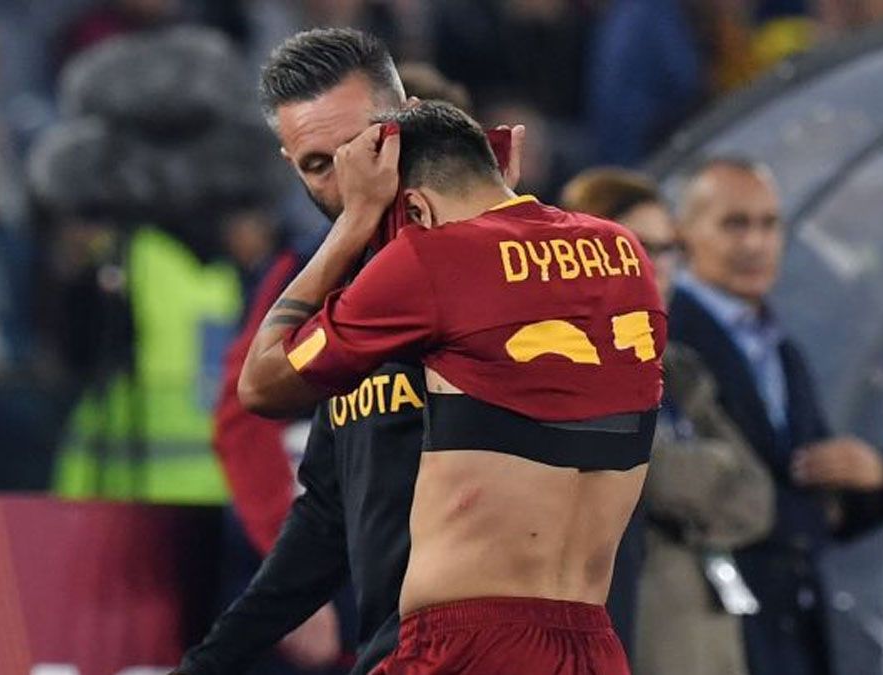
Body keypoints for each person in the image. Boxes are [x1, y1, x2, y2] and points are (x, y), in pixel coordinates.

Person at [239, 101, 663, 674]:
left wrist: (353, 222)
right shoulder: (624, 252)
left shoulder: (433, 258)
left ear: (415, 207)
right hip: (594, 644)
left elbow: (262, 383)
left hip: (464, 648)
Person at [174, 28, 523, 675]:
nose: (347, 181)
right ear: (289, 163)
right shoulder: (306, 276)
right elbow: (262, 433)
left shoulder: (518, 263)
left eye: (363, 147)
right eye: (317, 165)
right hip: (366, 612)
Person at [668, 157, 883, 675]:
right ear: (684, 234)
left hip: (788, 624)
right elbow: (705, 490)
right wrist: (807, 510)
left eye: (769, 225)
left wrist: (868, 479)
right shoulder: (668, 335)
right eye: (734, 223)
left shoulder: (781, 345)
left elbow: (809, 476)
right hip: (709, 625)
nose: (755, 243)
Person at [563, 167, 775, 675]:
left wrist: (687, 483)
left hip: (707, 640)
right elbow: (651, 472)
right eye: (640, 247)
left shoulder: (680, 369)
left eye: (668, 249)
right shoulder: (570, 361)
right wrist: (711, 470)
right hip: (631, 633)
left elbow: (757, 498)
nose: (657, 266)